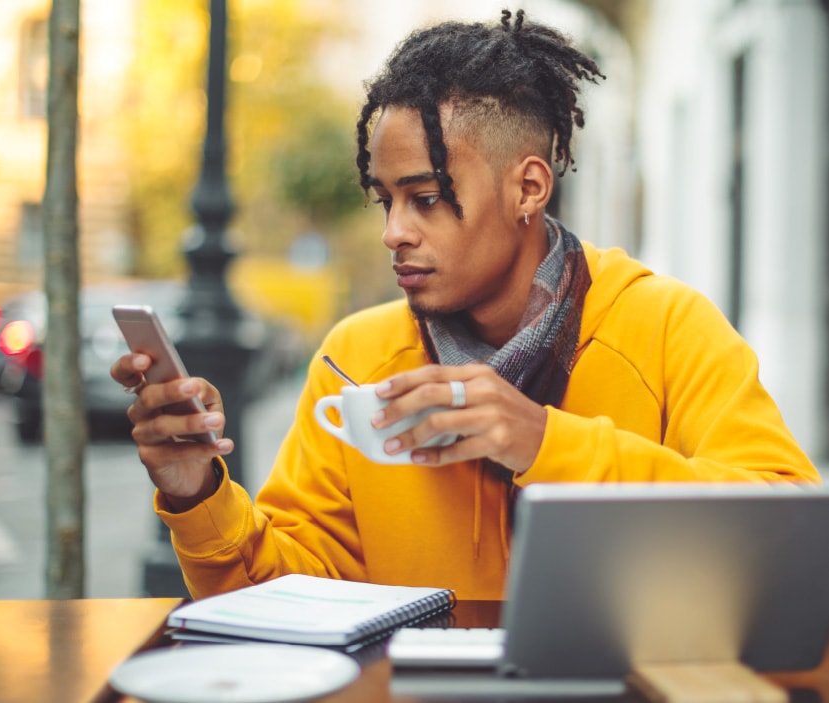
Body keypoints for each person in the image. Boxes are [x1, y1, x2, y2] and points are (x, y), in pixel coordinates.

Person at [111, 9, 819, 601]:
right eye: (385, 201)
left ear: (528, 188)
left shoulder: (667, 326)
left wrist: (542, 441)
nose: (393, 231)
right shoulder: (354, 359)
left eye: (424, 198)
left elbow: (785, 539)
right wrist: (194, 491)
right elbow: (280, 600)